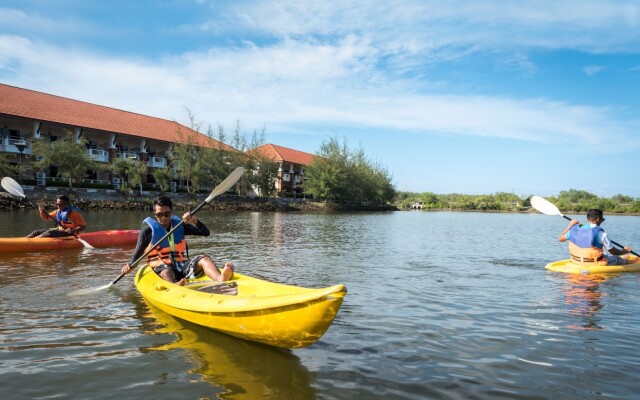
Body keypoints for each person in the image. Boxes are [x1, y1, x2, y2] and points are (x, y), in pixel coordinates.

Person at [120, 195, 234, 286]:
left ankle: (220, 278)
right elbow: (138, 252)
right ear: (155, 215)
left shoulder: (179, 225)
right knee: (166, 270)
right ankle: (175, 286)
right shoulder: (148, 231)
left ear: (171, 212)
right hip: (161, 265)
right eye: (159, 215)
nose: (163, 218)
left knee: (204, 258)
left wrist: (194, 220)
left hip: (181, 265)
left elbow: (205, 232)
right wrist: (129, 266)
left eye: (166, 214)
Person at [558, 209, 633, 265]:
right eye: (602, 219)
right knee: (617, 258)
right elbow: (613, 251)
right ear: (597, 219)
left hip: (576, 260)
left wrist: (570, 225)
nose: (602, 221)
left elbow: (560, 238)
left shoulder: (574, 229)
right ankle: (628, 261)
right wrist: (624, 251)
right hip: (593, 263)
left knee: (605, 254)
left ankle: (623, 258)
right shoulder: (601, 234)